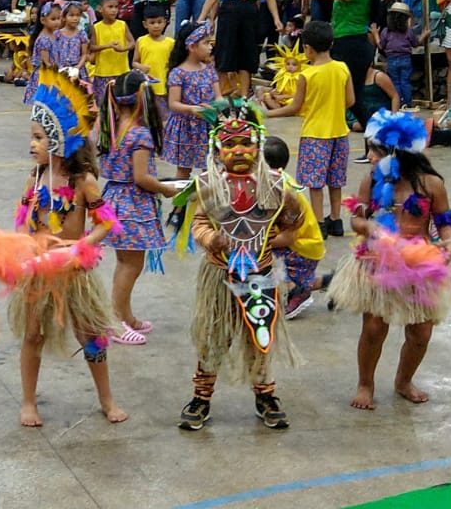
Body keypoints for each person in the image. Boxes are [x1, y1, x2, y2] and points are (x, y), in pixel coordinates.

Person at [0, 67, 126, 427]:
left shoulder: (83, 181)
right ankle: (29, 402)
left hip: (74, 273)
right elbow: (21, 219)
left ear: (61, 141)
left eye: (39, 138)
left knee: (93, 338)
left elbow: (107, 223)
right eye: (31, 137)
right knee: (33, 335)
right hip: (37, 275)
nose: (31, 145)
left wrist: (81, 248)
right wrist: (17, 249)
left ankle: (107, 399)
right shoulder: (34, 178)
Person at [176, 99, 303, 431]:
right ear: (217, 148)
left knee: (259, 336)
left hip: (260, 274)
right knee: (213, 337)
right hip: (220, 274)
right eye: (230, 143)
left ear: (259, 145)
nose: (239, 150)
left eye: (246, 143)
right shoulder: (208, 185)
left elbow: (292, 224)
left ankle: (266, 395)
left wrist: (278, 239)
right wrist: (209, 239)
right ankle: (201, 397)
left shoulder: (277, 185)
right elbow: (199, 223)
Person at [333, 108, 451, 411]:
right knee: (374, 328)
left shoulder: (431, 184)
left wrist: (449, 240)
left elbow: (444, 220)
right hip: (378, 261)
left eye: (375, 151)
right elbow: (356, 219)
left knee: (421, 332)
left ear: (397, 152)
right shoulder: (373, 181)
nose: (371, 158)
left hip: (420, 265)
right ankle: (365, 384)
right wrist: (368, 226)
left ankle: (404, 381)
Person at [98, 71, 177, 345]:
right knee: (131, 264)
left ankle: (126, 315)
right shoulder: (140, 134)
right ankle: (115, 320)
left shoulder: (109, 124)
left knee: (125, 261)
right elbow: (141, 177)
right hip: (133, 204)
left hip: (113, 198)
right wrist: (167, 189)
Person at [267, 21, 355, 237]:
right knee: (335, 181)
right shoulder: (342, 68)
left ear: (307, 48)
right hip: (340, 133)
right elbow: (350, 100)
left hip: (315, 134)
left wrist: (268, 112)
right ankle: (336, 220)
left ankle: (319, 223)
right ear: (331, 43)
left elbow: (295, 107)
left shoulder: (306, 75)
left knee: (315, 184)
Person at [275, 0, 380, 113]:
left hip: (353, 44)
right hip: (344, 42)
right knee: (347, 96)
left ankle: (375, 132)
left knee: (354, 98)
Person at [261, 136, 325, 319]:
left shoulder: (280, 189)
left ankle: (296, 291)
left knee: (258, 254)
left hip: (302, 248)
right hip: (304, 245)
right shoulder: (278, 180)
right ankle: (331, 282)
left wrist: (257, 242)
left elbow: (288, 238)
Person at [162, 21, 221, 209]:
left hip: (207, 127)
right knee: (183, 169)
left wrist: (216, 106)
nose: (210, 46)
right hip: (186, 127)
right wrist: (192, 109)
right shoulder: (178, 73)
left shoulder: (209, 71)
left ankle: (209, 209)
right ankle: (178, 209)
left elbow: (218, 97)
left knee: (209, 168)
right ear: (192, 46)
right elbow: (173, 103)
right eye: (205, 42)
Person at [131, 3, 174, 118]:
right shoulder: (141, 41)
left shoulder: (170, 43)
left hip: (164, 87)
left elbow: (175, 64)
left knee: (164, 117)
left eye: (159, 22)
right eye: (152, 23)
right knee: (147, 116)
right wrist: (140, 67)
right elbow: (134, 62)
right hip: (147, 87)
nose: (156, 26)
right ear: (145, 24)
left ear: (165, 22)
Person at [380, 2, 425, 108]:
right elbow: (415, 44)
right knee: (405, 81)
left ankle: (398, 103)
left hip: (391, 60)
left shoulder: (386, 31)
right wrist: (424, 35)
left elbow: (381, 45)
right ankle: (408, 103)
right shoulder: (408, 31)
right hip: (405, 59)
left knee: (395, 82)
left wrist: (375, 34)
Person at [88, 0, 133, 101]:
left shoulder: (122, 24)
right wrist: (107, 46)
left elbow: (132, 43)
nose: (114, 10)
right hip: (103, 72)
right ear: (100, 9)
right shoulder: (96, 27)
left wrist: (123, 49)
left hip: (121, 70)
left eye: (116, 7)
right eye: (110, 7)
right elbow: (92, 47)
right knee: (103, 102)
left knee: (121, 101)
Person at [21, 2, 61, 105]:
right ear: (43, 20)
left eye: (59, 18)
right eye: (53, 19)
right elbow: (46, 63)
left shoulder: (54, 35)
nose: (57, 22)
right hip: (45, 76)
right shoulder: (44, 39)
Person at [53, 3, 90, 76]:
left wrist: (78, 67)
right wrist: (58, 67)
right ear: (64, 18)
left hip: (77, 71)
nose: (75, 18)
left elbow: (84, 54)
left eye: (78, 15)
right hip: (60, 70)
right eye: (71, 15)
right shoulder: (57, 34)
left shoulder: (82, 34)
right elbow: (54, 53)